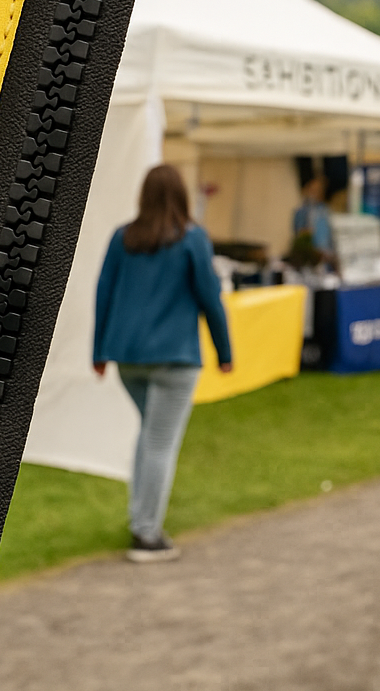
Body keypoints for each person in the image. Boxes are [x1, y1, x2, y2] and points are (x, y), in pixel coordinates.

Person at [93, 164, 233, 563]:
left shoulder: (124, 237)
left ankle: (141, 520)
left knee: (149, 436)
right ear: (183, 196)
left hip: (128, 358)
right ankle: (147, 534)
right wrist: (225, 353)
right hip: (175, 358)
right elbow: (210, 297)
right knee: (159, 443)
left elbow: (104, 293)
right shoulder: (192, 239)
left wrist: (99, 352)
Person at [291, 174, 334, 263]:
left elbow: (329, 233)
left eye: (318, 190)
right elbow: (297, 233)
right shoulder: (300, 211)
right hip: (307, 253)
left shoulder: (325, 210)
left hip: (324, 252)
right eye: (313, 190)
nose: (315, 193)